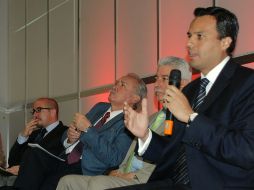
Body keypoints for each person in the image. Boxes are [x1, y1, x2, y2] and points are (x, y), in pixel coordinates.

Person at [120, 6, 254, 190]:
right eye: (189, 36)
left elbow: (246, 151)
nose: (189, 43)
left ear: (225, 42)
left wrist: (192, 117)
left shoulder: (247, 83)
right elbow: (172, 152)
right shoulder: (190, 90)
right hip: (174, 183)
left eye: (199, 36)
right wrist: (145, 135)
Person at [56, 56, 192, 190]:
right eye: (156, 79)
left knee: (98, 183)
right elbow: (130, 155)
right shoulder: (151, 118)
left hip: (146, 179)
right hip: (115, 172)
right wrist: (119, 171)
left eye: (164, 79)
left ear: (182, 84)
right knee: (67, 181)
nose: (156, 84)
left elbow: (171, 159)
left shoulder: (185, 119)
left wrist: (134, 176)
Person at [13, 73, 147, 190]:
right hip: (63, 158)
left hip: (85, 167)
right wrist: (70, 138)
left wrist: (88, 130)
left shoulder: (130, 122)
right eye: (116, 82)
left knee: (51, 183)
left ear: (134, 98)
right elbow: (68, 134)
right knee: (33, 154)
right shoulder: (99, 107)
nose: (114, 86)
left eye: (122, 85)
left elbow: (114, 158)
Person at [0, 98, 68, 188]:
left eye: (39, 110)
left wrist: (23, 168)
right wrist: (22, 137)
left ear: (53, 112)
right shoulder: (33, 134)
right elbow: (12, 161)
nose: (35, 115)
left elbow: (58, 162)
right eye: (34, 111)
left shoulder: (66, 133)